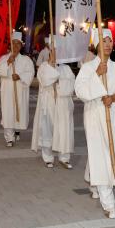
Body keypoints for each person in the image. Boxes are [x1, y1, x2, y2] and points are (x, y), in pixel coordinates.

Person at [75, 28, 115, 219]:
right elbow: (80, 91)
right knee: (102, 156)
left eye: (110, 41)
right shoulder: (87, 68)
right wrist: (96, 74)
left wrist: (114, 97)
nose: (108, 44)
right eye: (104, 41)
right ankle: (108, 203)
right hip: (96, 118)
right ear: (96, 45)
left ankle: (93, 180)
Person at [32, 39, 75, 168]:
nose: (56, 53)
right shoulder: (44, 67)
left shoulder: (66, 68)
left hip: (62, 104)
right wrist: (52, 69)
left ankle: (64, 157)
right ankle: (48, 156)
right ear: (50, 52)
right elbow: (45, 81)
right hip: (49, 103)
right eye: (53, 51)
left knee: (63, 129)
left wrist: (60, 86)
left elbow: (71, 86)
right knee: (47, 129)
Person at [0, 31, 34, 147]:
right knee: (8, 113)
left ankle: (16, 130)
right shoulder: (4, 58)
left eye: (18, 44)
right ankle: (9, 137)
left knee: (19, 112)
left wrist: (20, 76)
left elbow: (31, 73)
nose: (16, 46)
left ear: (21, 46)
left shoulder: (26, 60)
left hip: (20, 89)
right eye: (14, 43)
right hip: (7, 90)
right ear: (10, 45)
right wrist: (8, 62)